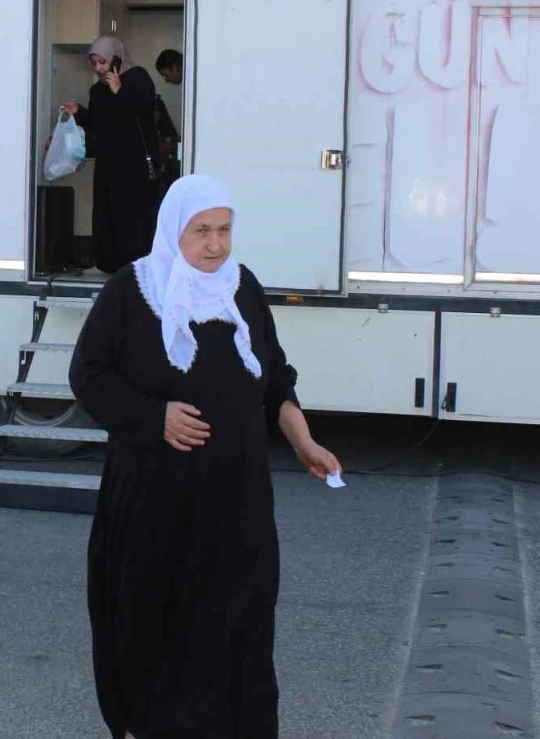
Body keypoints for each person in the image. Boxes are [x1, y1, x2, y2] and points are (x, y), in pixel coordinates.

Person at [68, 174, 343, 739]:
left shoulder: (243, 288)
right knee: (153, 624)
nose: (215, 244)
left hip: (237, 502)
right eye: (201, 231)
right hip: (155, 504)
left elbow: (275, 378)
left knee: (239, 624)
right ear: (174, 230)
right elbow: (88, 375)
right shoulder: (132, 290)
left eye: (224, 229)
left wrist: (303, 441)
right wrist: (153, 417)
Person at [60, 36, 162, 274]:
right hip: (108, 165)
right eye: (94, 63)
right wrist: (79, 113)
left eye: (102, 62)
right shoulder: (97, 90)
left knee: (133, 215)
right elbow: (99, 125)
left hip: (134, 165)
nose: (98, 68)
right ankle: (108, 264)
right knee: (106, 214)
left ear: (116, 58)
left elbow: (143, 110)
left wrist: (119, 90)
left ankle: (137, 267)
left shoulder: (137, 78)